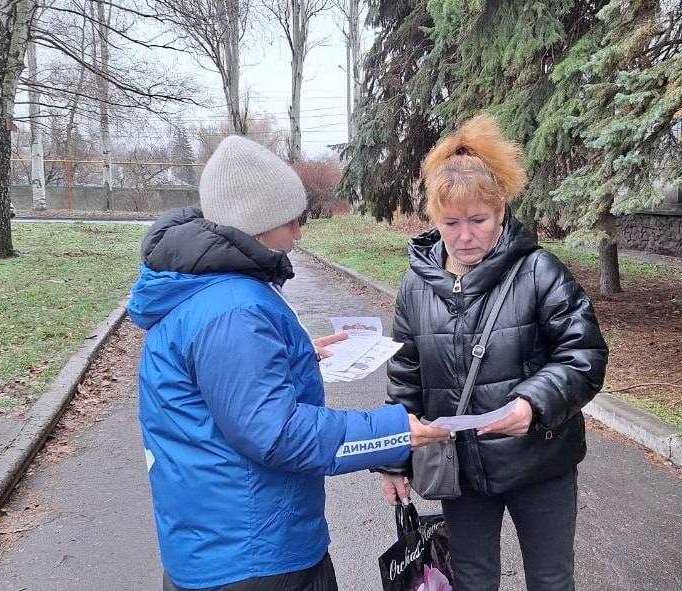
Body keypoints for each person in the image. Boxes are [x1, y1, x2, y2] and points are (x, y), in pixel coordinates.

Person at [128, 135, 450, 591]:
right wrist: (393, 433)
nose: (299, 233)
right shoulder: (234, 311)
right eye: (292, 220)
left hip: (220, 539)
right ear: (256, 222)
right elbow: (276, 434)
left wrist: (295, 353)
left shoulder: (207, 291)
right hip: (256, 555)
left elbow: (229, 384)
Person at [379, 114, 609, 591]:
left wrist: (533, 403)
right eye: (451, 223)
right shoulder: (416, 286)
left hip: (539, 463)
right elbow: (405, 377)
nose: (466, 236)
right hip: (459, 470)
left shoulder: (539, 271)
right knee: (473, 581)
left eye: (479, 220)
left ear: (501, 211)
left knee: (550, 580)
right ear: (434, 221)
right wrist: (394, 461)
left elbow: (584, 355)